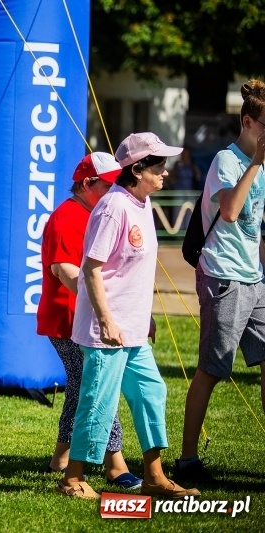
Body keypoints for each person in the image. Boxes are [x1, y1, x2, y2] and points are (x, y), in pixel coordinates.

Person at [57, 132, 199, 499]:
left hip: (133, 328)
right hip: (108, 329)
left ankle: (154, 476)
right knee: (98, 401)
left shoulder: (142, 204)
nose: (165, 173)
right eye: (159, 166)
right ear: (137, 169)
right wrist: (106, 320)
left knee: (152, 391)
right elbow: (91, 269)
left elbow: (134, 271)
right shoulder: (113, 207)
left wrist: (144, 315)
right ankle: (72, 478)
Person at [176, 80, 265, 483]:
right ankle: (188, 460)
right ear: (248, 122)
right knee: (212, 370)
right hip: (223, 277)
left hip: (254, 278)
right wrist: (256, 164)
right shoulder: (225, 162)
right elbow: (230, 212)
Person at [37, 152, 141, 488]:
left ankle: (61, 458)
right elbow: (64, 271)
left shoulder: (96, 211)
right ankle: (115, 464)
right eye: (110, 184)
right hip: (69, 319)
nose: (116, 190)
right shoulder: (67, 217)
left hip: (85, 316)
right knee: (97, 386)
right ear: (87, 184)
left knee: (82, 387)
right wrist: (103, 308)